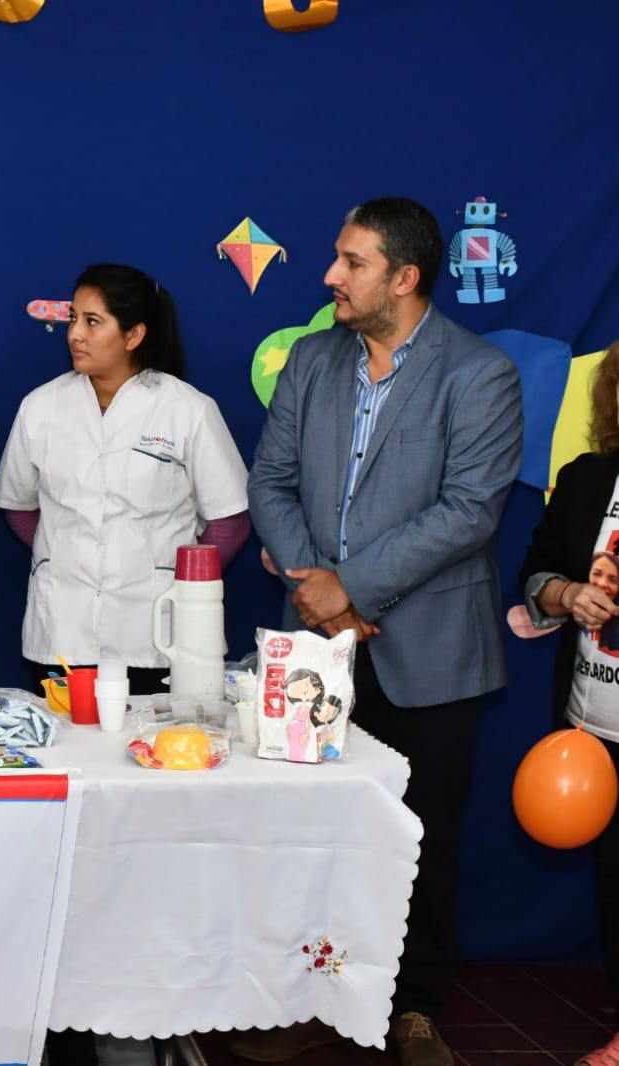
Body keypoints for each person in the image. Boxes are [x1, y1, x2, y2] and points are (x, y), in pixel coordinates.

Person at [243, 197, 524, 1066]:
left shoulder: (478, 373)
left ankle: (413, 1011)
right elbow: (270, 481)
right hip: (315, 648)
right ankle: (309, 1001)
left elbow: (468, 511)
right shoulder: (311, 359)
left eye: (351, 262)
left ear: (403, 278)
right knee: (308, 835)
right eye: (336, 257)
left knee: (419, 840)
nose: (330, 275)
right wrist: (317, 591)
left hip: (430, 655)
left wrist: (352, 586)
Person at [0, 263, 251, 697]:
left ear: (133, 335)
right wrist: (64, 555)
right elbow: (18, 506)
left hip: (158, 634)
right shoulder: (41, 406)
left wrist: (184, 588)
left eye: (93, 321)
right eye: (73, 318)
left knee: (159, 739)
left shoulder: (187, 409)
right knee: (69, 739)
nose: (75, 334)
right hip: (63, 630)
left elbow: (230, 520)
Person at [517, 339, 619, 1066]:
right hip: (593, 727)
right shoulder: (586, 477)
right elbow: (536, 575)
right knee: (615, 883)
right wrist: (566, 592)